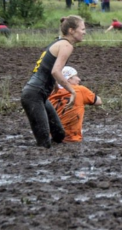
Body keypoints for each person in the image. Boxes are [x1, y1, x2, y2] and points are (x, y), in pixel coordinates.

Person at [20, 16, 86, 148]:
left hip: (40, 95)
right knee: (44, 143)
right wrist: (72, 91)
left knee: (59, 134)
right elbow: (56, 71)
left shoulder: (60, 42)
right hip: (34, 94)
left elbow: (48, 66)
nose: (84, 32)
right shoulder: (66, 45)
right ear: (72, 30)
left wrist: (54, 85)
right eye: (83, 29)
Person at [48, 66, 103, 143]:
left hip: (52, 137)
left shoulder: (51, 92)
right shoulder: (80, 90)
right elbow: (99, 102)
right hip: (72, 138)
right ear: (68, 79)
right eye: (76, 76)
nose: (79, 79)